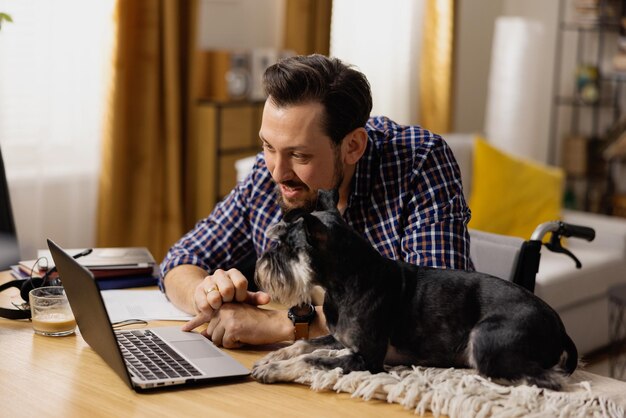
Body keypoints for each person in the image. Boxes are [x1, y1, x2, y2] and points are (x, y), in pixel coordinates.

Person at [160, 54, 473, 348]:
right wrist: (207, 295)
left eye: (299, 155)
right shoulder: (269, 172)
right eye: (268, 146)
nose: (278, 173)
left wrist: (283, 325)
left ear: (353, 146)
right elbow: (180, 259)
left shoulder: (419, 162)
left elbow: (437, 310)